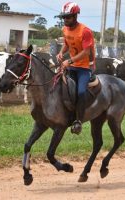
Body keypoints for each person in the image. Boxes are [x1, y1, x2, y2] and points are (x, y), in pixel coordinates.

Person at [56, 2, 95, 135]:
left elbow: (86, 53)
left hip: (84, 68)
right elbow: (66, 44)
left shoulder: (85, 31)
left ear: (75, 16)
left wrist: (69, 60)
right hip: (71, 66)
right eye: (64, 17)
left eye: (68, 17)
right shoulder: (65, 29)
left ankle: (78, 121)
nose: (65, 20)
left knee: (81, 92)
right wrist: (61, 52)